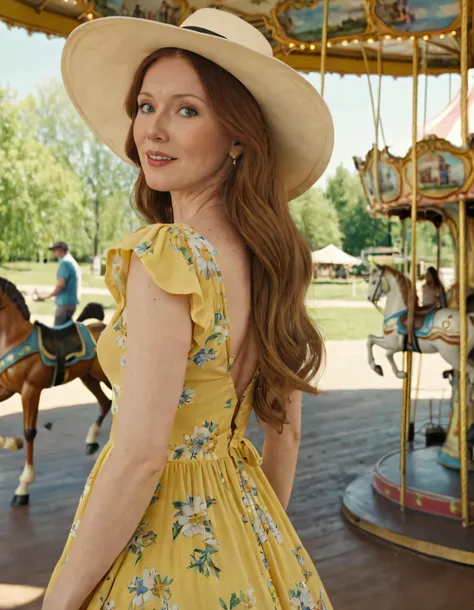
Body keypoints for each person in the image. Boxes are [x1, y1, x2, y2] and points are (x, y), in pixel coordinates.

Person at [43, 8, 334, 610]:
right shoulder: (268, 262)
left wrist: (60, 599)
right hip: (247, 524)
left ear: (237, 138)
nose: (152, 130)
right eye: (146, 105)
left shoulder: (169, 258)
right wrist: (257, 544)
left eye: (186, 109)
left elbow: (142, 456)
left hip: (160, 546)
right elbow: (287, 433)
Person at [36, 241, 81, 326]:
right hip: (70, 303)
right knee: (65, 332)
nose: (53, 253)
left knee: (58, 333)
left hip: (64, 304)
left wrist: (47, 296)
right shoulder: (69, 261)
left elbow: (61, 285)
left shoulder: (65, 263)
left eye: (54, 250)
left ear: (61, 250)